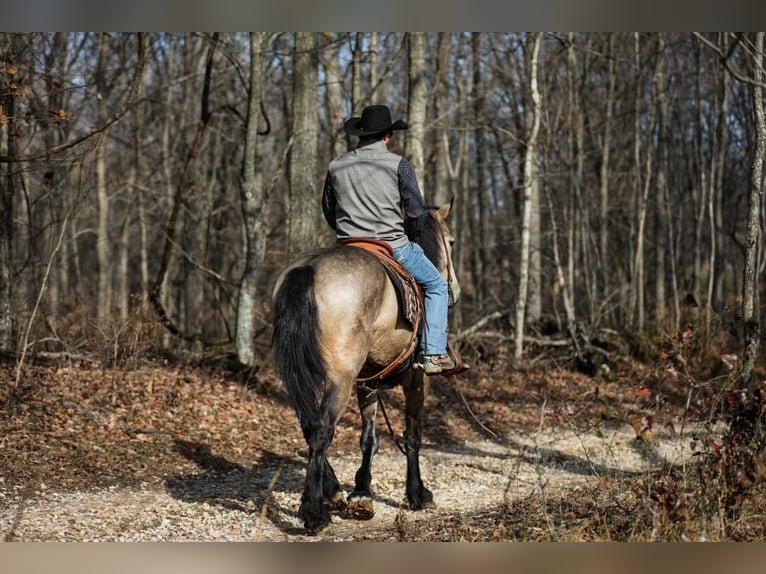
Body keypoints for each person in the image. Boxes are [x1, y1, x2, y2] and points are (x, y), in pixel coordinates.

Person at [321, 104, 459, 375]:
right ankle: (433, 353)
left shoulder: (336, 165)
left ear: (361, 135)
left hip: (348, 244)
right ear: (387, 137)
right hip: (392, 246)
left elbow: (328, 209)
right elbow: (417, 213)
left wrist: (348, 232)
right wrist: (414, 236)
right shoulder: (399, 165)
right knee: (437, 286)